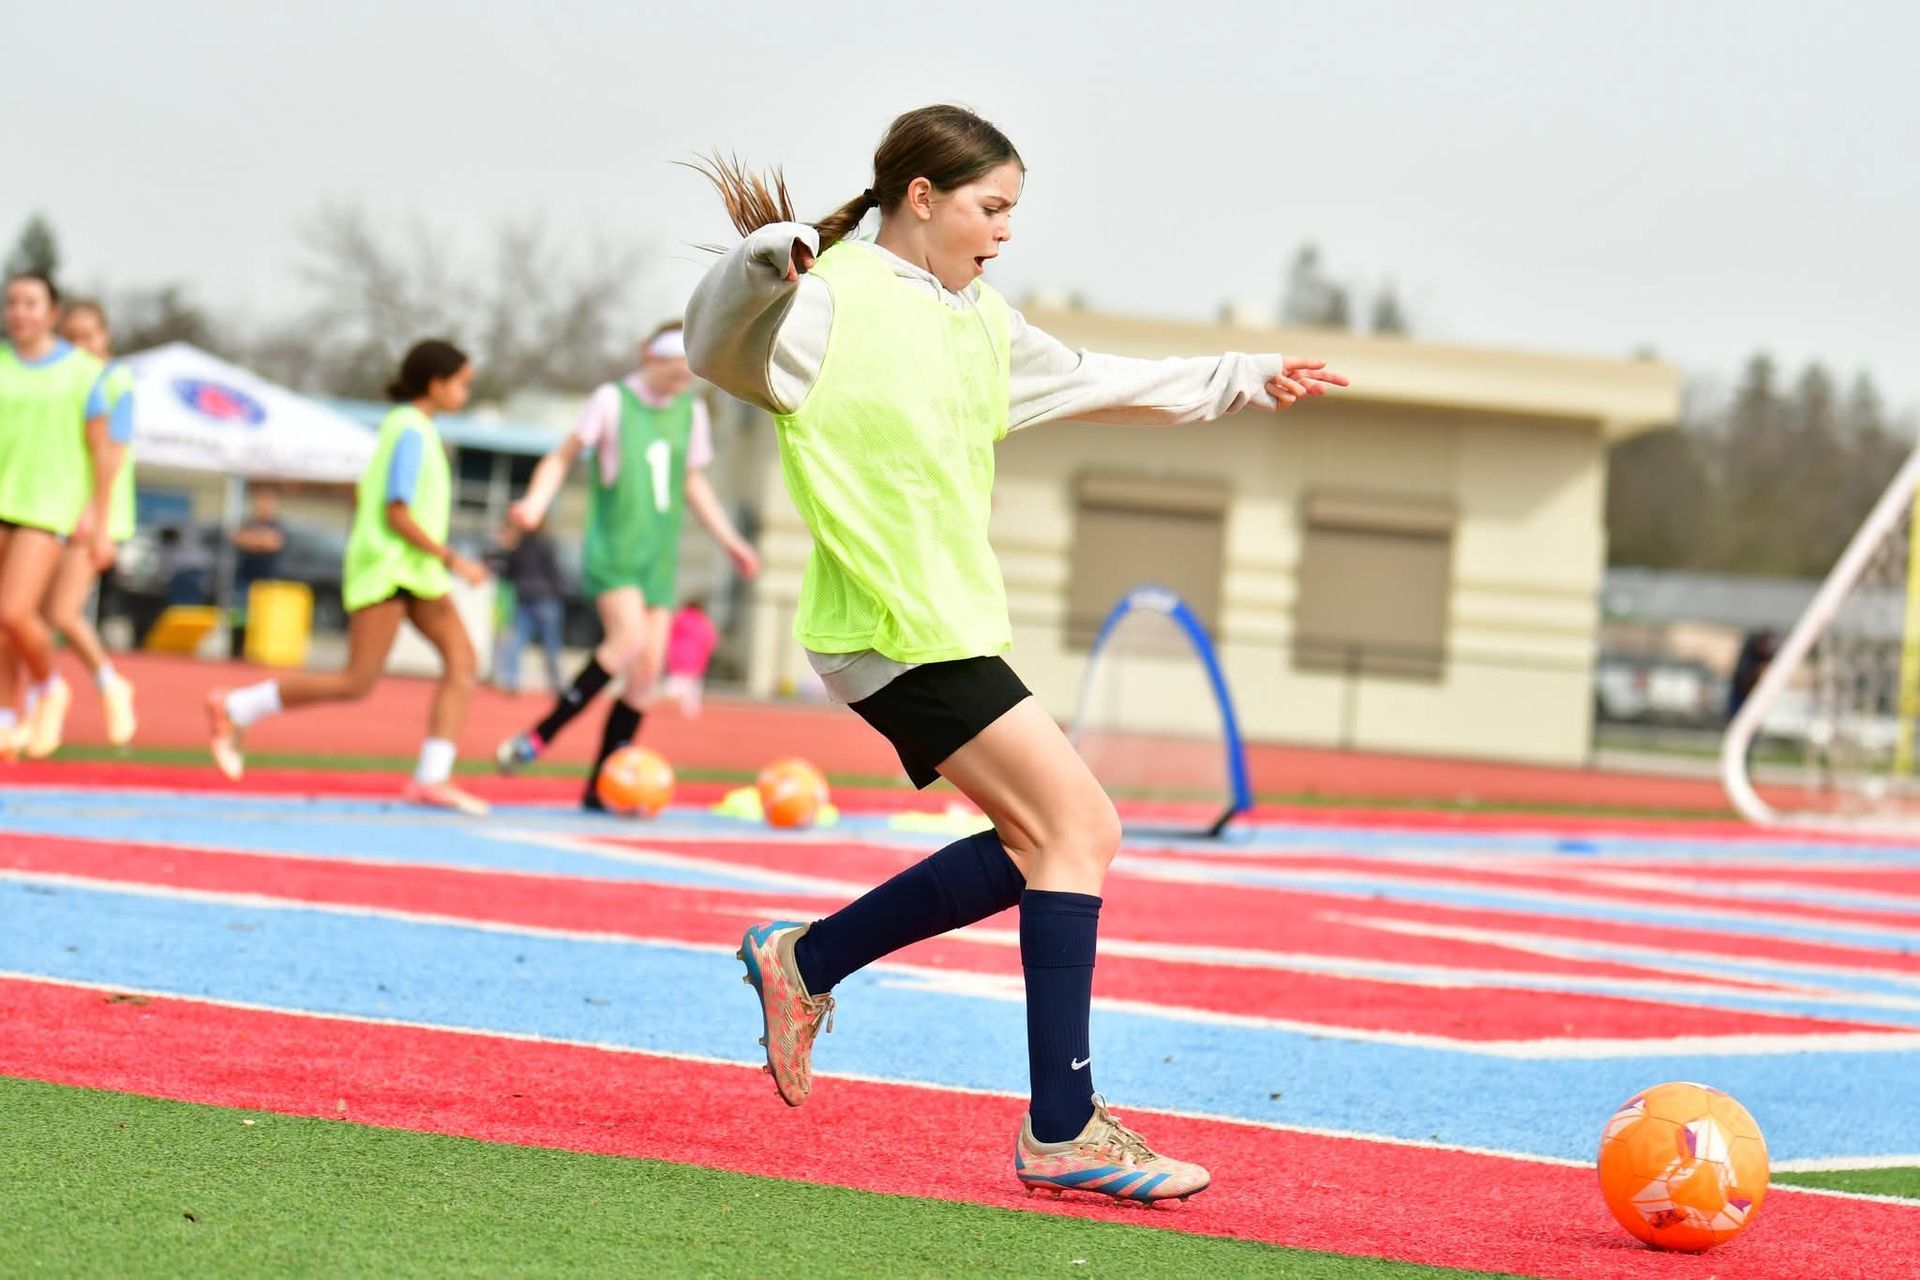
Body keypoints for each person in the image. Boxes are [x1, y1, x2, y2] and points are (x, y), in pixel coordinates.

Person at [686, 104, 1346, 1203]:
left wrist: (1239, 371)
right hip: (890, 627)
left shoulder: (981, 321)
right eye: (991, 207)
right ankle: (1060, 1125)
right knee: (1081, 828)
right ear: (923, 197)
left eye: (1013, 211)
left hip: (949, 627)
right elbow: (716, 342)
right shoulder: (826, 303)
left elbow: (1101, 381)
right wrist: (765, 261)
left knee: (1046, 837)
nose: (1003, 229)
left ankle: (805, 961)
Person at [206, 339, 492, 814]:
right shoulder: (409, 431)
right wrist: (453, 558)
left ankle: (432, 778)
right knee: (356, 681)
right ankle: (234, 708)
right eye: (462, 384)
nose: (466, 393)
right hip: (389, 568)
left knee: (462, 663)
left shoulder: (415, 429)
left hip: (414, 572)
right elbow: (396, 511)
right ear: (436, 383)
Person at [493, 321, 760, 809]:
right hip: (614, 549)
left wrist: (730, 541)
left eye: (688, 373)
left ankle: (601, 785)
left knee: (645, 677)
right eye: (673, 369)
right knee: (628, 640)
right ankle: (540, 736)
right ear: (649, 357)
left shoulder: (690, 412)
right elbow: (561, 458)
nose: (680, 380)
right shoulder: (612, 401)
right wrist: (534, 504)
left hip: (658, 556)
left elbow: (693, 484)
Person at [0, 273, 118, 762]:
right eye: (12, 303)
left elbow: (104, 454)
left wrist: (100, 520)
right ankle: (8, 714)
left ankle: (50, 687)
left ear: (52, 313)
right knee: (0, 624)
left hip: (46, 507)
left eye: (31, 303)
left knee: (14, 611)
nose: (19, 312)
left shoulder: (83, 374)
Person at [29, 300, 137, 750]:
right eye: (71, 339)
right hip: (50, 508)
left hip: (91, 514)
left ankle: (109, 683)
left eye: (89, 336)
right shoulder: (59, 381)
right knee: (21, 617)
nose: (81, 347)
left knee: (59, 612)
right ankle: (32, 707)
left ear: (105, 336)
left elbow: (110, 453)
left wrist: (98, 520)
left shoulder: (114, 383)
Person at [490, 516, 566, 694]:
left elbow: (508, 573)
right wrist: (558, 592)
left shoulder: (518, 546)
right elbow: (554, 570)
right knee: (551, 642)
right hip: (546, 597)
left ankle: (511, 680)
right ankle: (557, 684)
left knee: (517, 640)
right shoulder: (547, 544)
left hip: (525, 597)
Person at [229, 487, 288, 656]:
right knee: (239, 614)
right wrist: (259, 541)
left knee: (261, 617)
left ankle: (256, 650)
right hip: (245, 576)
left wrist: (254, 540)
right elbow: (237, 538)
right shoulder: (247, 523)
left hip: (266, 579)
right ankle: (237, 648)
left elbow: (274, 543)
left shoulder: (277, 525)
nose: (264, 507)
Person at [660, 599, 718, 716]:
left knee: (675, 685)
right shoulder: (703, 622)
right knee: (693, 686)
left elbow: (666, 634)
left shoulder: (679, 618)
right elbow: (710, 640)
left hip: (678, 658)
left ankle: (660, 701)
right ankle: (690, 711)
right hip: (697, 661)